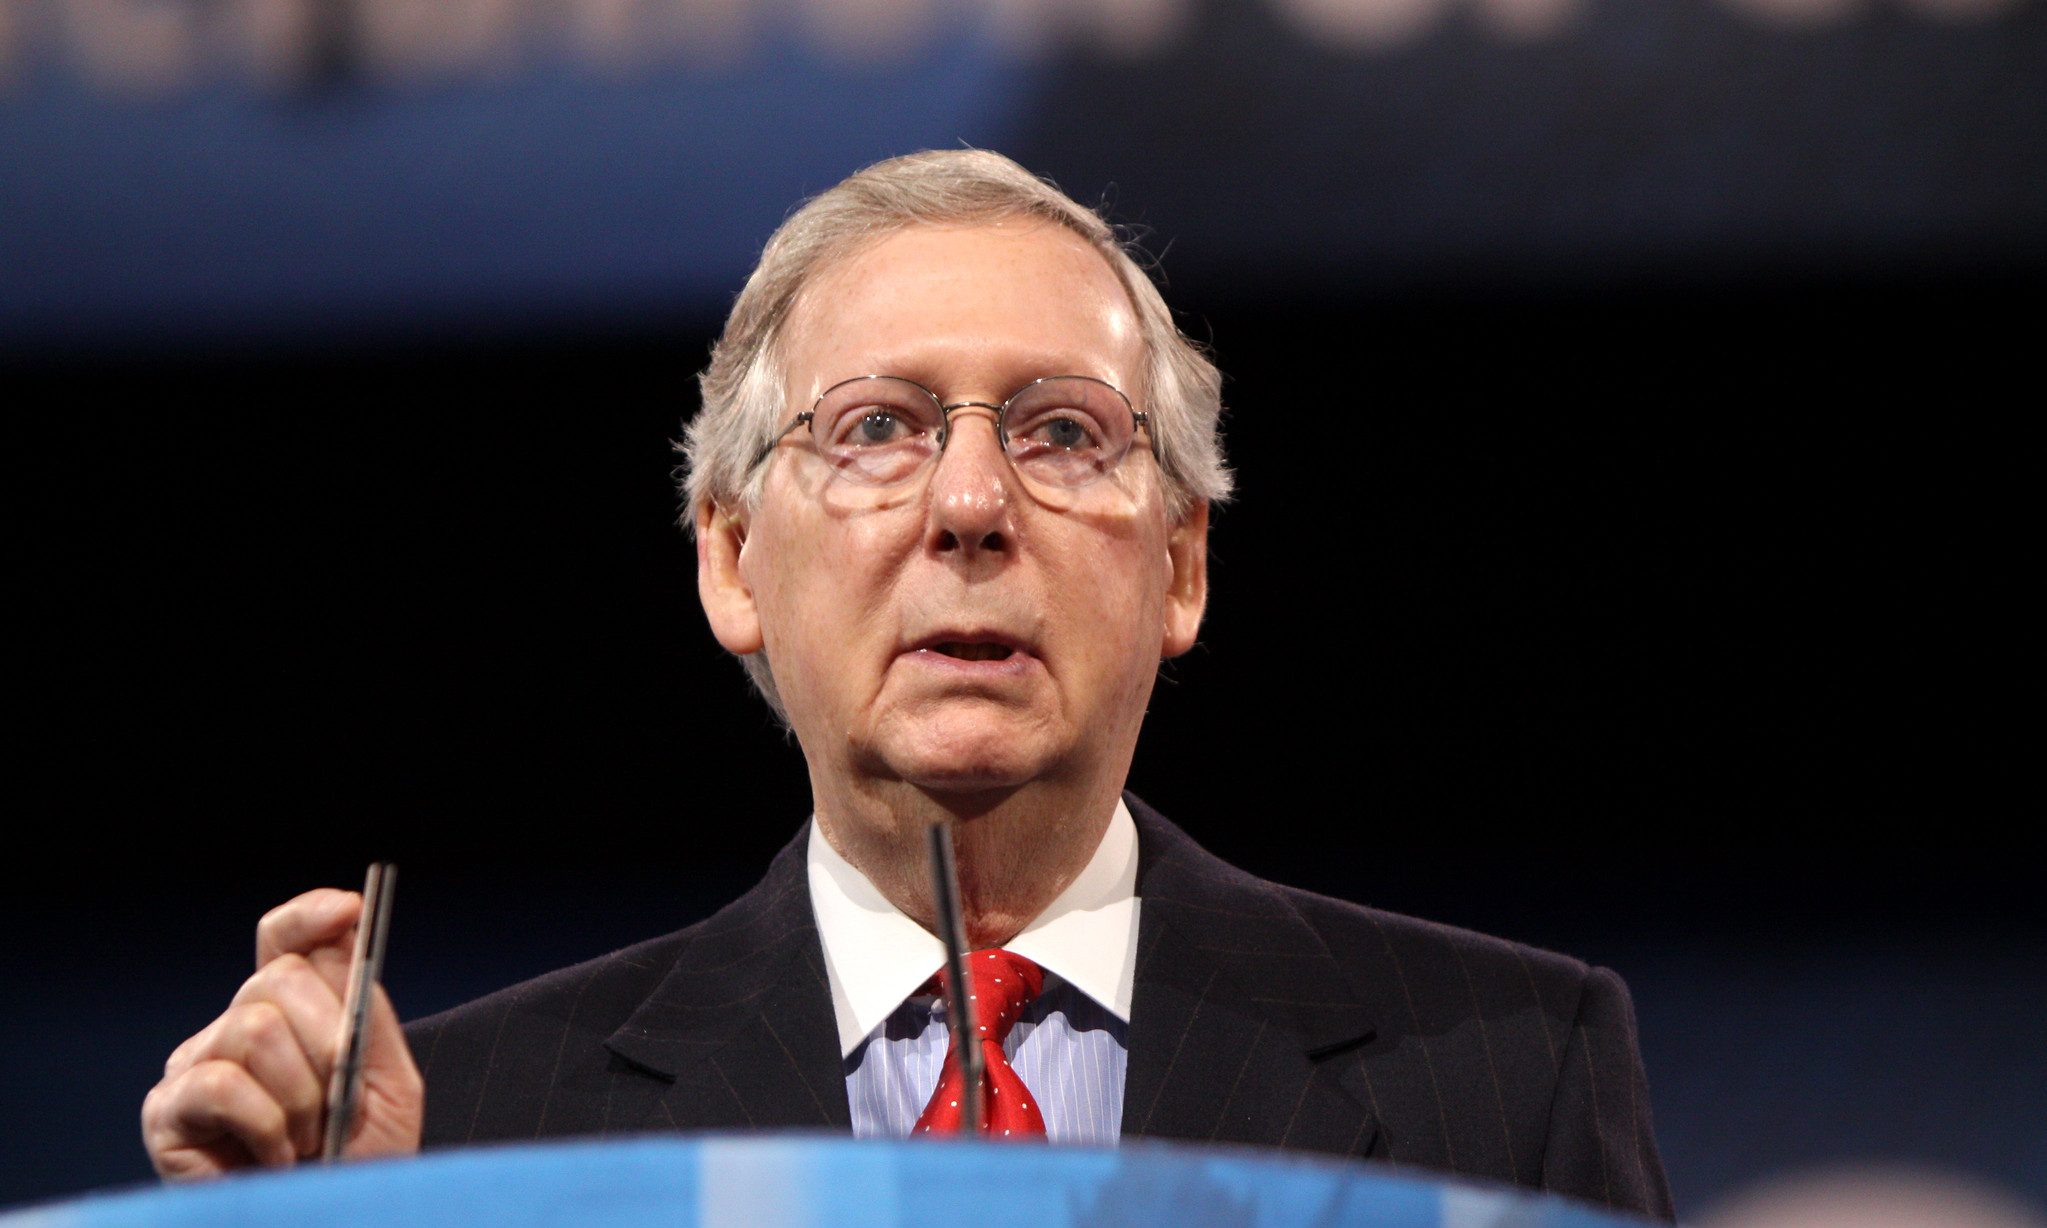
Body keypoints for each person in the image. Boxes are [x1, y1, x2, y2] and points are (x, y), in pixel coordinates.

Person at [140, 149, 1674, 1220]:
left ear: (1183, 565)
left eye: (1064, 432)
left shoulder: (1509, 1078)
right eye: (876, 429)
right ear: (733, 561)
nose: (969, 503)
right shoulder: (461, 1136)